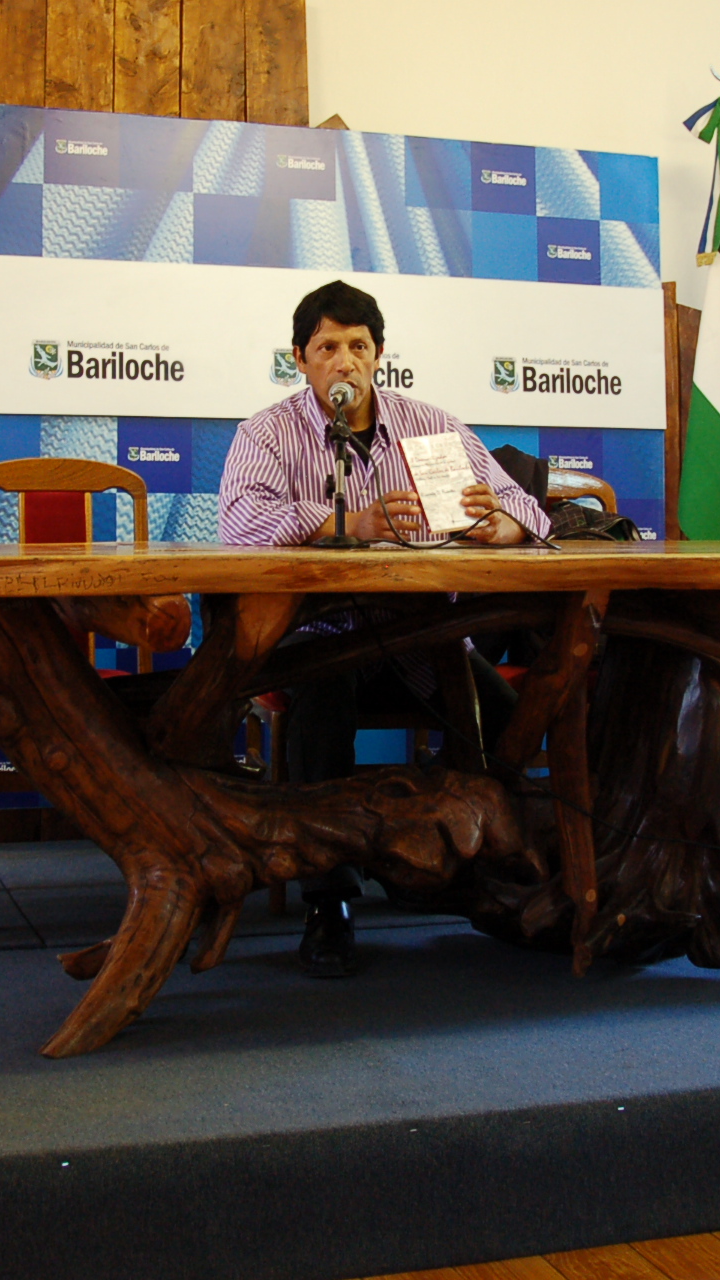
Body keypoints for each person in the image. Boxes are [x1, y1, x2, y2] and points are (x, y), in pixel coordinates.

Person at [219, 279, 550, 976]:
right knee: (321, 712)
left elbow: (528, 504)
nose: (345, 361)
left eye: (359, 347)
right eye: (328, 348)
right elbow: (240, 524)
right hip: (322, 638)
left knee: (506, 719)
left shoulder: (433, 424)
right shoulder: (267, 432)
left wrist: (506, 523)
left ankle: (477, 863)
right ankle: (328, 902)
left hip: (424, 637)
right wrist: (346, 524)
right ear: (300, 360)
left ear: (380, 356)